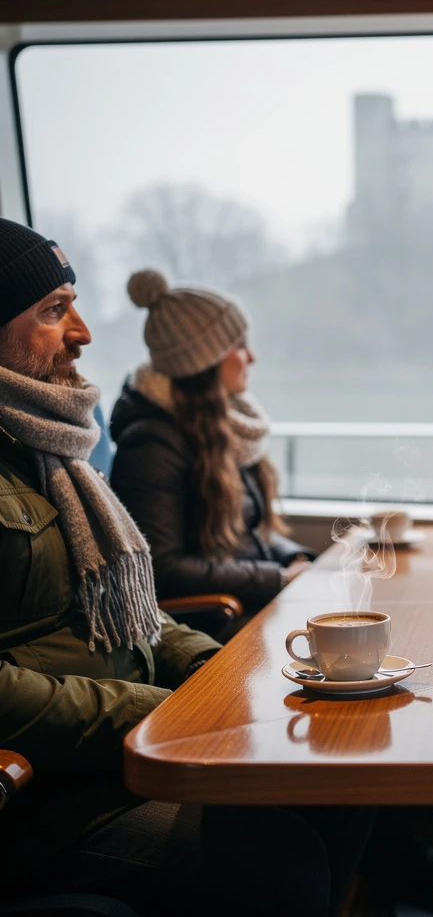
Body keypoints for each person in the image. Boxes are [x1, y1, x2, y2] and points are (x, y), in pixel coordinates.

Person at [0, 219, 368, 916]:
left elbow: (132, 605)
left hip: (128, 748)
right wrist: (160, 713)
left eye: (74, 303)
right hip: (56, 796)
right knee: (280, 860)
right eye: (53, 310)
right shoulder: (108, 447)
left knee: (341, 788)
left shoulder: (54, 452)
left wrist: (210, 674)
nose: (82, 331)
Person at [109, 270, 313, 619]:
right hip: (220, 617)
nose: (251, 357)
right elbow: (163, 568)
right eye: (240, 345)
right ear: (205, 361)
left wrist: (296, 558)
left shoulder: (223, 426)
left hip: (254, 598)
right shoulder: (150, 446)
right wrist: (277, 578)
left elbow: (246, 534)